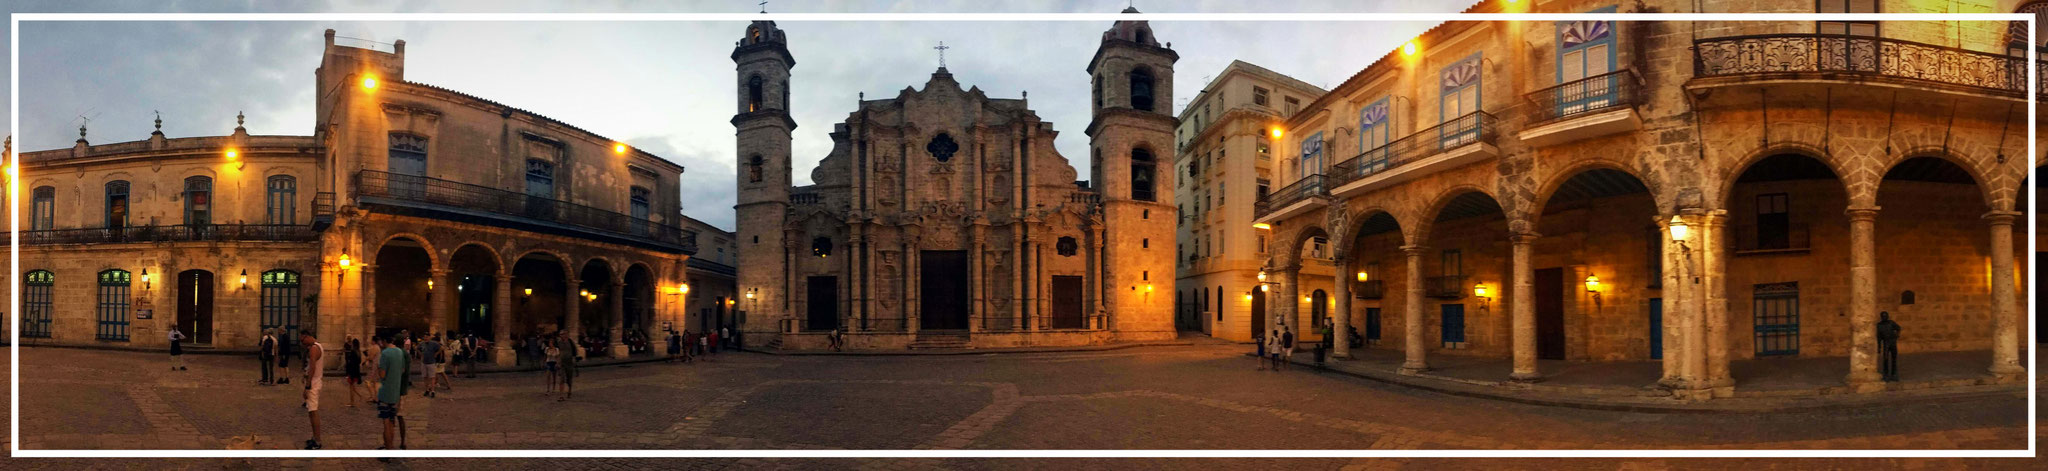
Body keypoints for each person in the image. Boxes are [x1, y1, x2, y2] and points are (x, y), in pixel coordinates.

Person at [373, 333, 410, 457]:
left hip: (386, 391)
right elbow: (403, 370)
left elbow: (382, 375)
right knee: (392, 421)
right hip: (395, 392)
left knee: (386, 423)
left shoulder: (385, 353)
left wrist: (379, 369)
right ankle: (390, 446)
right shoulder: (400, 352)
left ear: (384, 341)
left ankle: (388, 450)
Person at [300, 330, 325, 450]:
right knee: (311, 412)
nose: (302, 343)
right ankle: (315, 437)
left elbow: (313, 367)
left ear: (308, 336)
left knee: (313, 412)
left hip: (313, 384)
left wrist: (307, 385)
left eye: (302, 339)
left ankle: (318, 441)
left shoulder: (314, 349)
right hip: (314, 382)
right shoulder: (317, 346)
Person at [1878, 311, 1903, 382]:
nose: (1885, 317)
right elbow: (1879, 337)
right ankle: (1886, 375)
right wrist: (1879, 347)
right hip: (1886, 343)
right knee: (1885, 359)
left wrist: (1897, 335)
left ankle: (1894, 374)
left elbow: (1898, 328)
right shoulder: (1879, 325)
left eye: (1886, 316)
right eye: (1883, 316)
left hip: (1893, 342)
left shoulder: (1891, 323)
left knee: (1894, 359)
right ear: (1881, 317)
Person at [344, 338, 368, 408]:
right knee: (353, 386)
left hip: (352, 371)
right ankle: (359, 396)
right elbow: (359, 361)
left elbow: (350, 363)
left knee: (351, 387)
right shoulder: (358, 351)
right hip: (356, 370)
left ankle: (352, 402)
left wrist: (348, 371)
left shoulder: (353, 351)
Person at [556, 333, 579, 401]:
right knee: (561, 380)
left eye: (563, 334)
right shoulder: (559, 343)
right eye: (560, 334)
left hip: (569, 363)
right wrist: (557, 362)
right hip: (562, 363)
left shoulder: (570, 342)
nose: (561, 335)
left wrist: (574, 360)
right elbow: (558, 352)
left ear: (566, 335)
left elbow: (574, 351)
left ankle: (569, 390)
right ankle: (561, 396)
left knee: (569, 379)